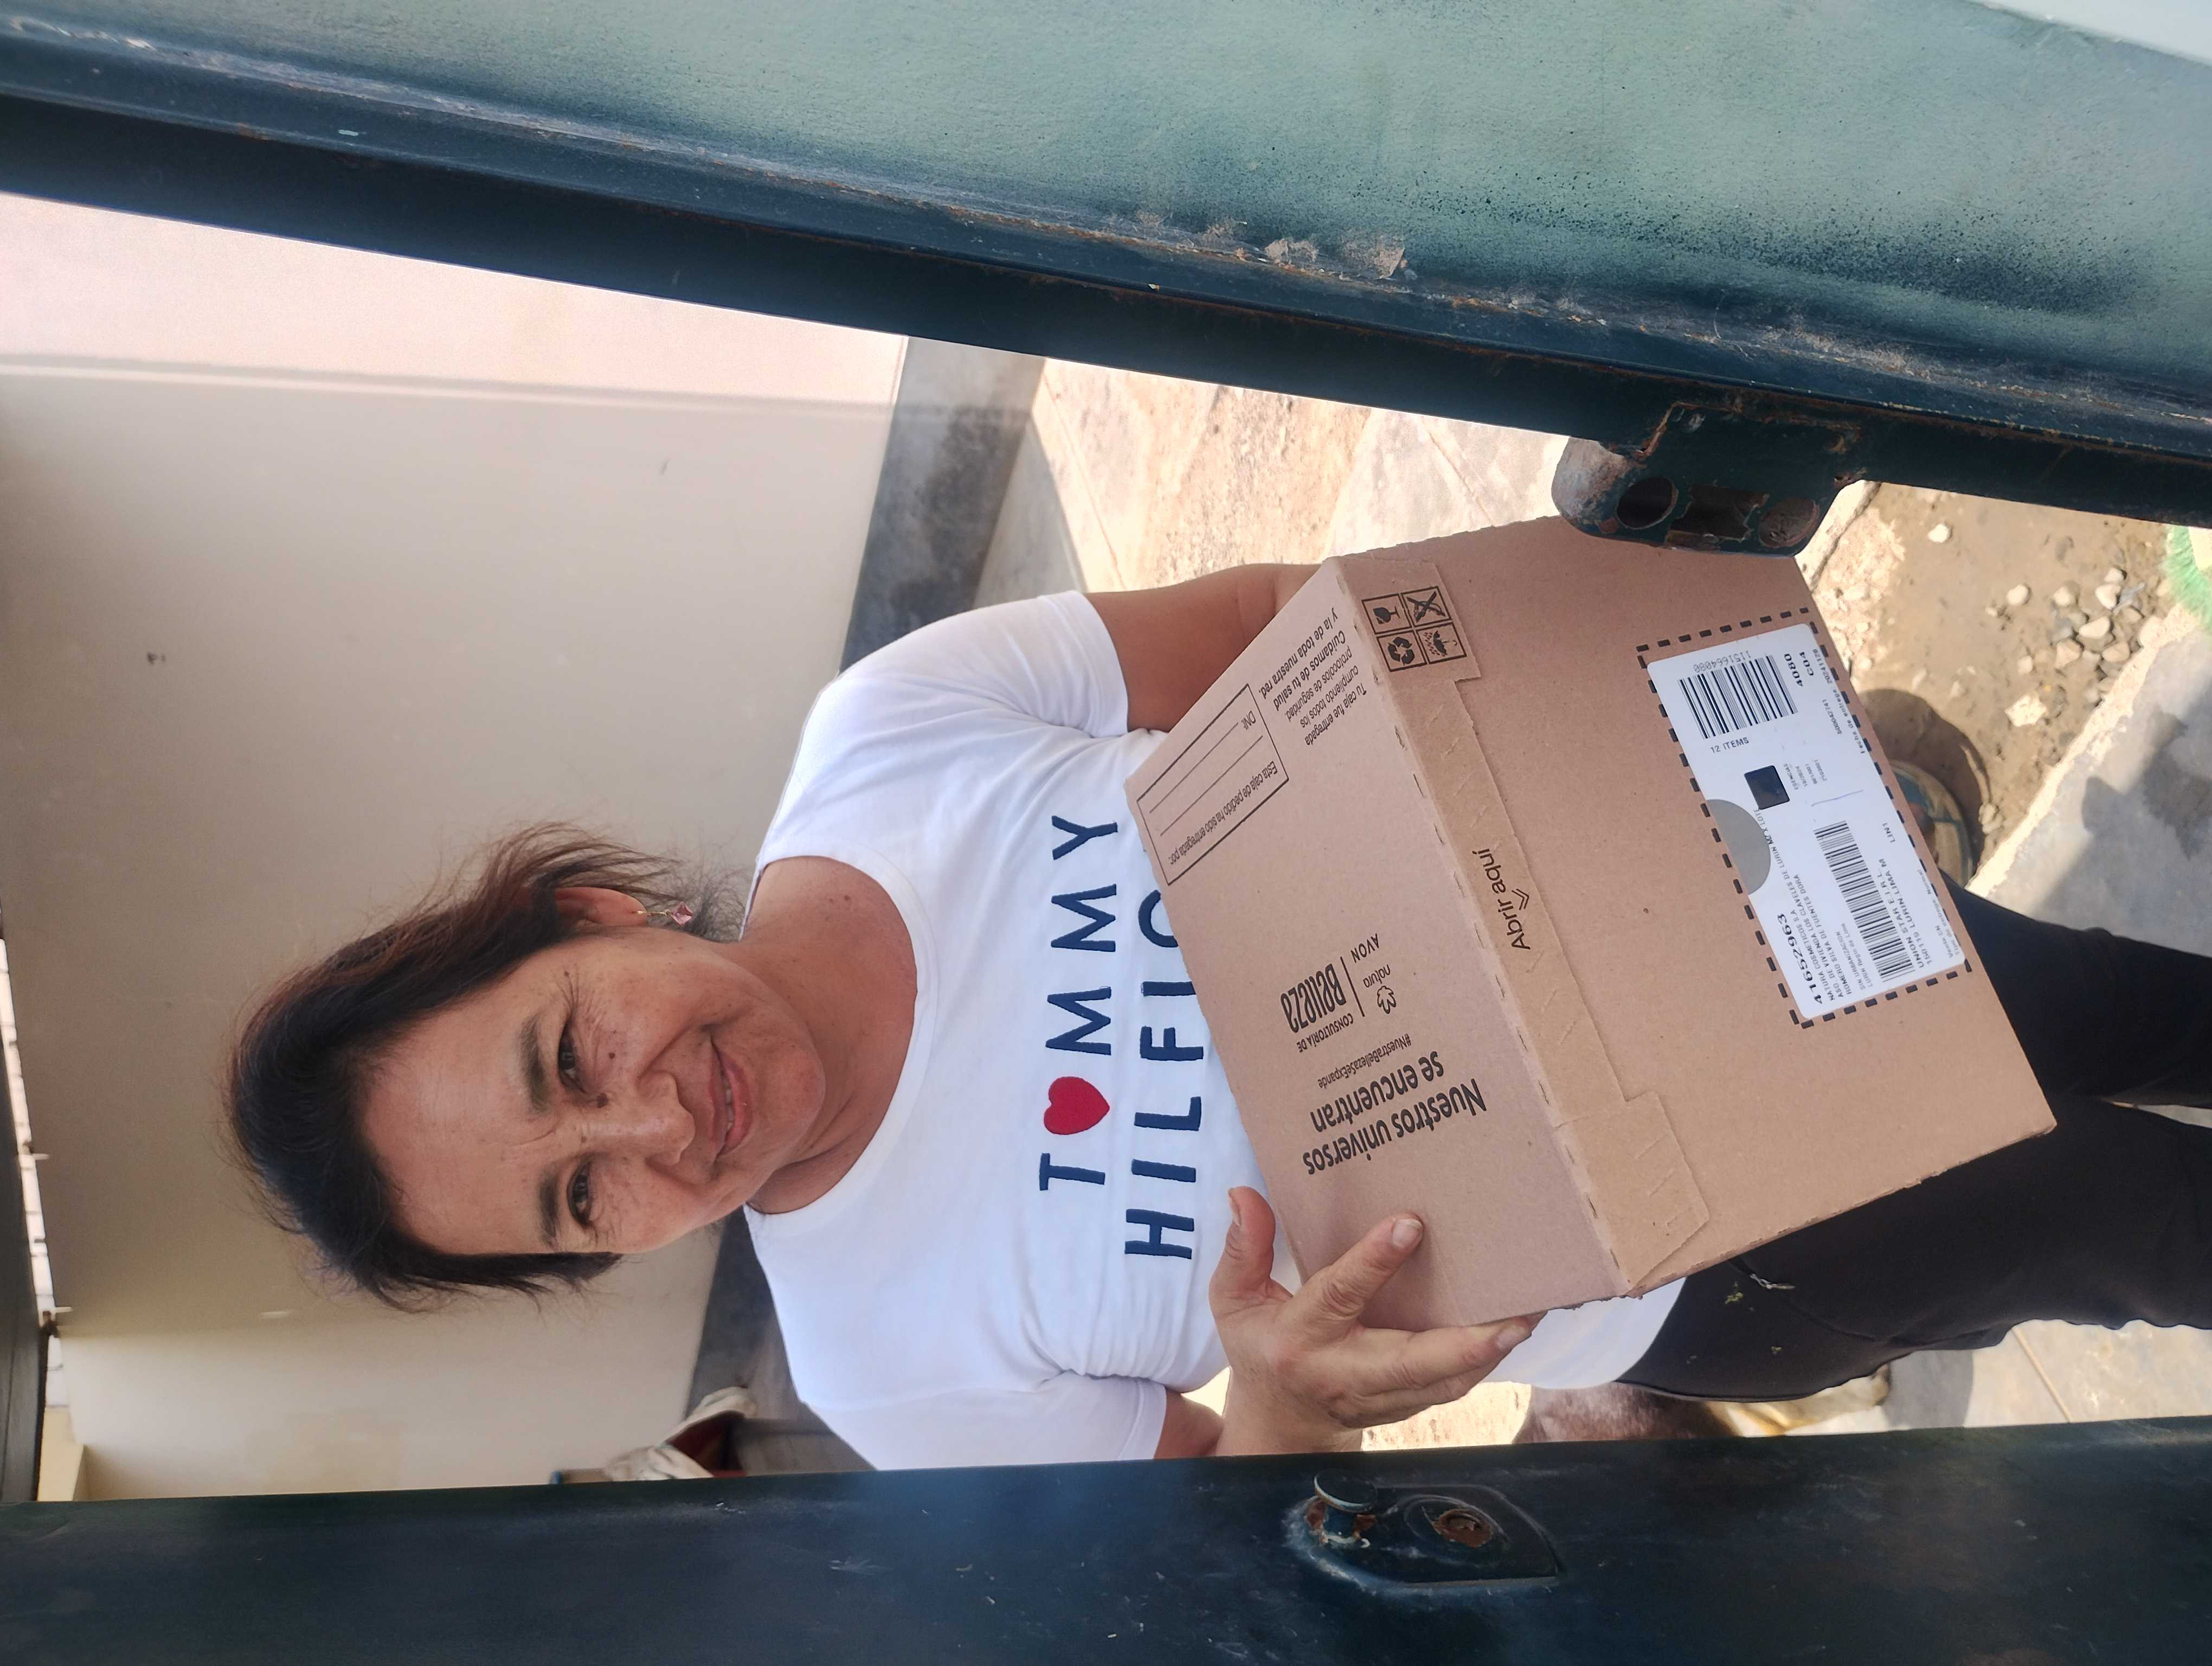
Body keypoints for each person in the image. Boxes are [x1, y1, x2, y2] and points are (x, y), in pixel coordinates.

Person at [229, 566, 2212, 1468]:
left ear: (589, 917)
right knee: (2131, 1222)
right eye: (583, 1198)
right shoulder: (889, 1371)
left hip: (1703, 936)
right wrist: (1286, 1397)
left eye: (569, 1055)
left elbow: (1290, 627)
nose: (656, 1126)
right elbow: (1239, 1538)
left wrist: (1619, 688)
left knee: (2125, 1007)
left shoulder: (896, 738)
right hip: (1690, 1263)